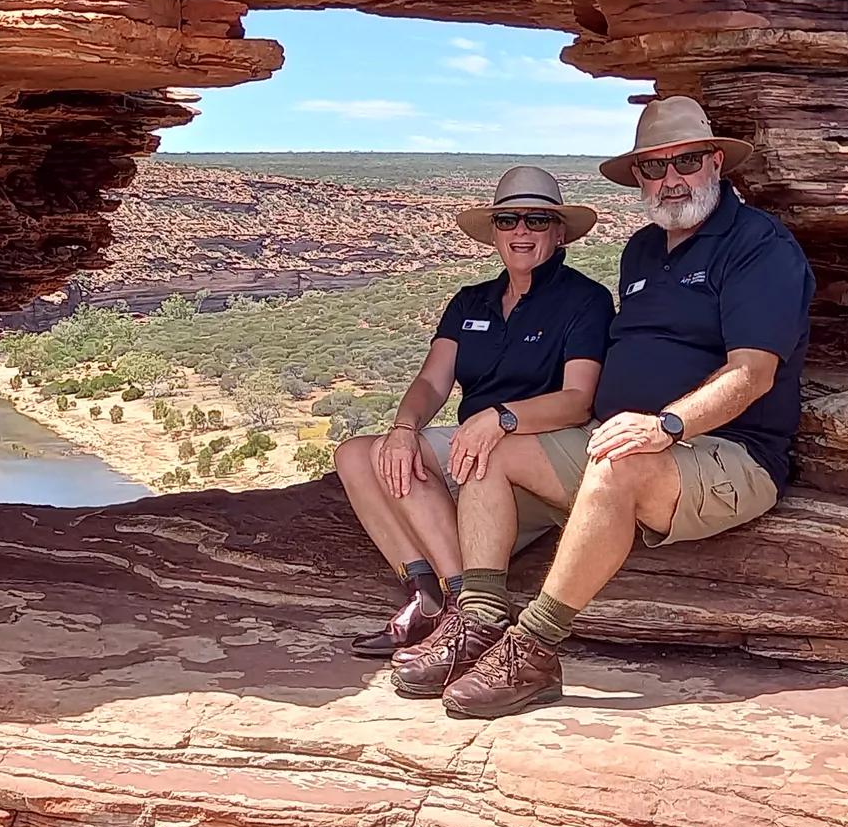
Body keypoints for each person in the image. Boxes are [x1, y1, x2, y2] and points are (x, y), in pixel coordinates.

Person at [392, 96, 814, 718]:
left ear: (717, 162)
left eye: (687, 162)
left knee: (619, 464)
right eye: (653, 168)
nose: (671, 180)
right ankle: (478, 619)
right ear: (638, 177)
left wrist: (667, 424)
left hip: (726, 451)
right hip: (621, 437)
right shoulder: (643, 250)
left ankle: (531, 649)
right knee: (488, 447)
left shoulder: (758, 247)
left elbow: (752, 375)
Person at [332, 166, 613, 658]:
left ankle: (468, 608)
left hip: (530, 443)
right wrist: (403, 427)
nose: (521, 231)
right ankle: (427, 596)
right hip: (472, 439)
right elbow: (431, 380)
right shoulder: (471, 301)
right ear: (495, 233)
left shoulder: (584, 300)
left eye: (536, 220)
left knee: (421, 453)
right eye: (508, 220)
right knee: (358, 453)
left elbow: (577, 400)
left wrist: (501, 418)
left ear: (560, 232)